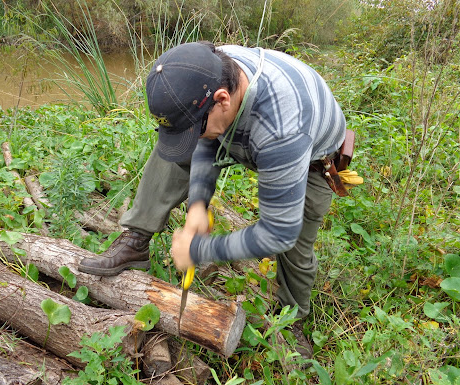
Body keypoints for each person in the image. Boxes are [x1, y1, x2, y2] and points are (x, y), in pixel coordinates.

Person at [78, 41, 347, 361]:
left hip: (313, 159)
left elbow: (279, 232)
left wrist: (200, 250)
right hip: (240, 122)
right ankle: (136, 237)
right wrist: (197, 206)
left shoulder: (282, 130)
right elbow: (206, 144)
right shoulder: (206, 70)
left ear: (222, 100)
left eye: (198, 127)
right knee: (182, 141)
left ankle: (292, 320)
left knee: (295, 245)